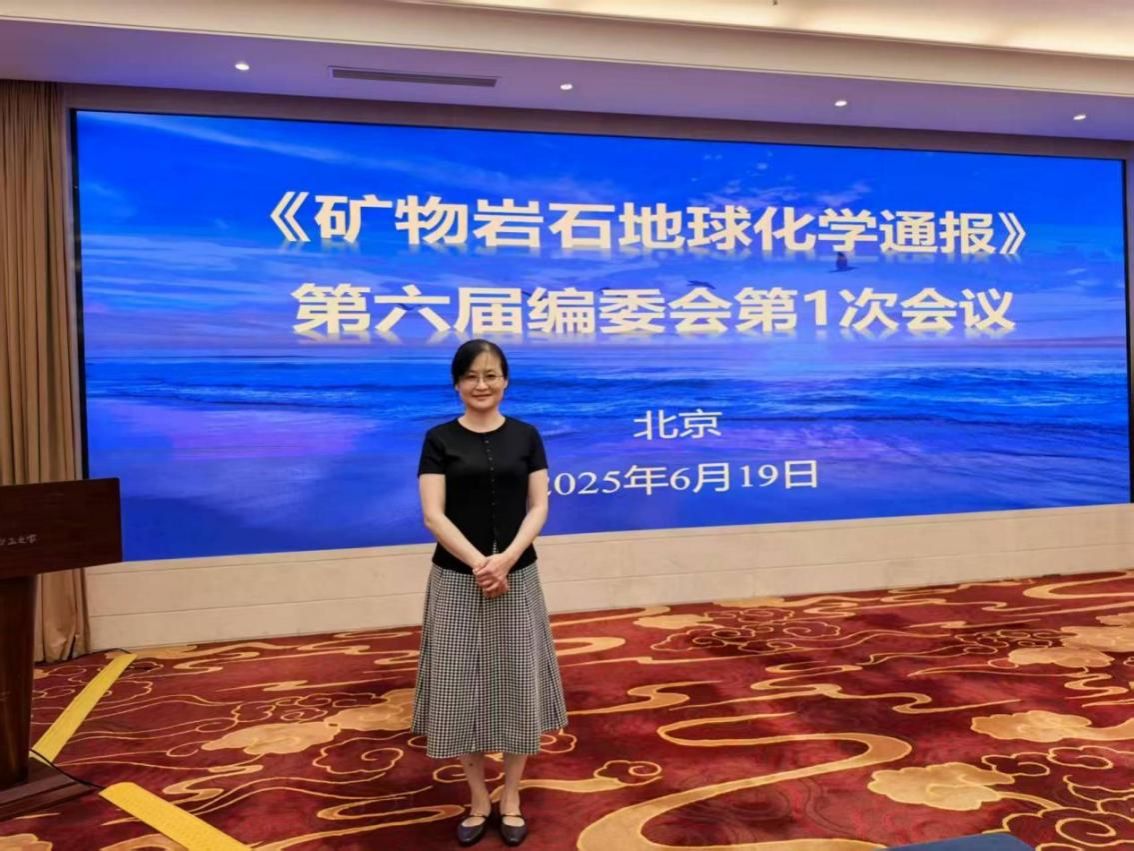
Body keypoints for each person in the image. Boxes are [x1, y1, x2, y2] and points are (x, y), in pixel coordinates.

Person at [412, 339, 567, 847]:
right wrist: (480, 563)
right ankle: (479, 798)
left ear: (505, 381)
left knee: (517, 682)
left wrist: (506, 559)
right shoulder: (439, 439)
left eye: (492, 375)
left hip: (517, 575)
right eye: (471, 376)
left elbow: (539, 507)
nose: (482, 385)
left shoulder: (527, 436)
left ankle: (512, 796)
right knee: (459, 686)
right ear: (457, 383)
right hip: (457, 578)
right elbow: (433, 515)